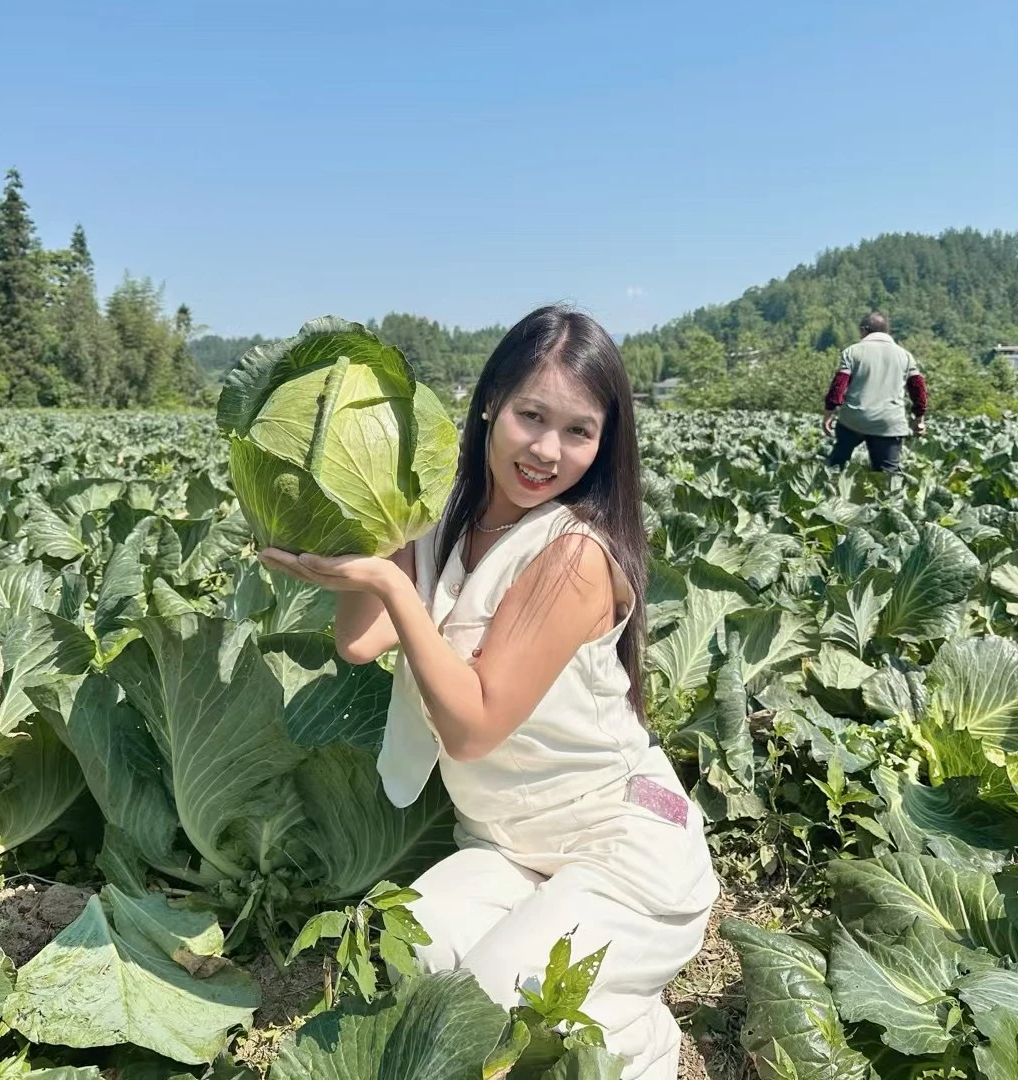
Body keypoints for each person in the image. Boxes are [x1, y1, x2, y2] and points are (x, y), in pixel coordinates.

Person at [260, 306, 718, 1080]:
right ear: (488, 406)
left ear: (606, 446)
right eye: (530, 416)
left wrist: (387, 585)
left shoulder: (576, 554)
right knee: (410, 969)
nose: (546, 451)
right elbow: (359, 640)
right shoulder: (445, 516)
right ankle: (606, 983)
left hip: (621, 852)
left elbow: (471, 730)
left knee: (496, 1013)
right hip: (507, 849)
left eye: (579, 431)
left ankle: (638, 1045)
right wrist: (365, 533)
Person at [823, 311, 928, 473]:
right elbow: (918, 389)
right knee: (888, 476)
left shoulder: (852, 351)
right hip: (889, 422)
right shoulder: (905, 356)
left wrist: (828, 414)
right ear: (887, 332)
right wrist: (919, 418)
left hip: (854, 419)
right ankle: (889, 494)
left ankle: (831, 486)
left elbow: (839, 385)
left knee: (837, 464)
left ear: (864, 330)